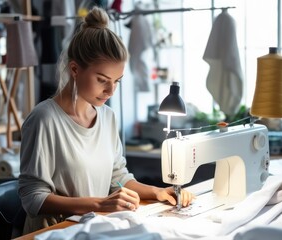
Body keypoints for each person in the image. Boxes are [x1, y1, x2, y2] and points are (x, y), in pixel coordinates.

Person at [18, 6, 195, 234]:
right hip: (54, 233)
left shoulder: (108, 117)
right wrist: (100, 204)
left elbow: (118, 177)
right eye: (102, 80)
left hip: (94, 228)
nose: (111, 90)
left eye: (117, 81)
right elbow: (32, 198)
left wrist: (157, 191)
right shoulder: (44, 120)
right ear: (74, 69)